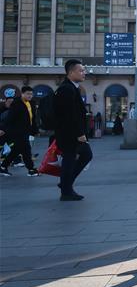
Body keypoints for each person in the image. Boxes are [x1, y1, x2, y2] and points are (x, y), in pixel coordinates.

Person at [54, 60, 93, 201]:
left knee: (85, 155)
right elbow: (69, 115)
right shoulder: (66, 89)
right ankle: (66, 190)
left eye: (84, 70)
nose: (84, 73)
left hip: (71, 133)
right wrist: (79, 133)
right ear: (71, 73)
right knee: (70, 160)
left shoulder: (72, 88)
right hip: (70, 134)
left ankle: (65, 184)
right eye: (81, 71)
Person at [0, 87, 39, 177]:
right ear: (22, 94)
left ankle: (3, 166)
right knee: (26, 149)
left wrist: (35, 130)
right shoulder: (16, 103)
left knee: (17, 150)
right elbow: (10, 118)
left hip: (26, 131)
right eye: (28, 94)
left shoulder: (32, 103)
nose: (30, 96)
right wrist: (3, 129)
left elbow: (32, 118)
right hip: (16, 131)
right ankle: (31, 169)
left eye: (31, 94)